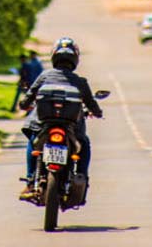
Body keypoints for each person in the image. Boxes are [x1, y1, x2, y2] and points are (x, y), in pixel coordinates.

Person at [18, 37, 103, 200]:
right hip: (72, 128)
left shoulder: (44, 76)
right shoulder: (79, 81)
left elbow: (28, 98)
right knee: (84, 145)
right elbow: (92, 103)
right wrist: (97, 112)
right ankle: (81, 176)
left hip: (43, 125)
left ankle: (30, 180)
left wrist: (24, 105)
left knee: (33, 142)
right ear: (75, 59)